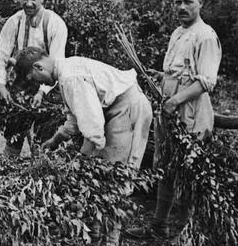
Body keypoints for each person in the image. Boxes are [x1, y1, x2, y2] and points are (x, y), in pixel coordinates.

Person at [127, 0, 222, 240]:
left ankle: (184, 234)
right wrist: (162, 77)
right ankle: (159, 225)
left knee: (187, 170)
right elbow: (177, 71)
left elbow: (205, 82)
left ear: (200, 3)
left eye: (188, 2)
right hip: (169, 109)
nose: (182, 7)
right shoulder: (178, 33)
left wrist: (175, 100)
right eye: (178, 2)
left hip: (190, 111)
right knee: (164, 165)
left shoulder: (206, 36)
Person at [13, 47, 152, 169]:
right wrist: (56, 139)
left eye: (33, 78)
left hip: (128, 108)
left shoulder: (71, 77)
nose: (37, 83)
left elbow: (91, 120)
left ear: (38, 67)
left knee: (115, 171)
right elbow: (77, 114)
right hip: (117, 108)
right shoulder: (65, 70)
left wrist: (83, 158)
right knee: (103, 168)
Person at [0, 0, 68, 158]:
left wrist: (42, 92)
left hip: (49, 81)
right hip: (21, 81)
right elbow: (0, 54)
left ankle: (41, 163)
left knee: (45, 130)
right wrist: (0, 85)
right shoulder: (14, 21)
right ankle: (9, 164)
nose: (28, 3)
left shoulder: (54, 23)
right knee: (14, 130)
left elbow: (57, 62)